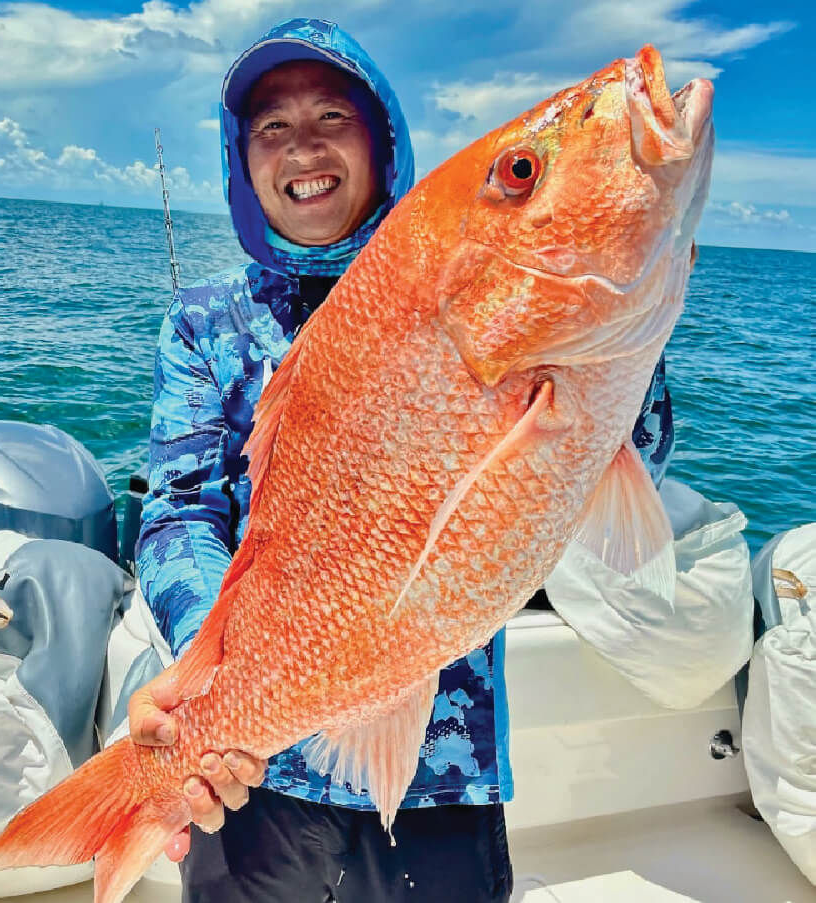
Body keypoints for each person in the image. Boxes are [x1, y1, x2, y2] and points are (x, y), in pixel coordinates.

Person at [131, 17, 678, 903]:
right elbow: (180, 509)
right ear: (244, 162)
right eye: (271, 126)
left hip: (440, 768)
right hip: (249, 778)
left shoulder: (463, 274)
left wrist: (624, 330)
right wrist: (209, 675)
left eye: (330, 117)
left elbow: (631, 466)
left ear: (384, 139)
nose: (301, 146)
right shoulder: (204, 323)